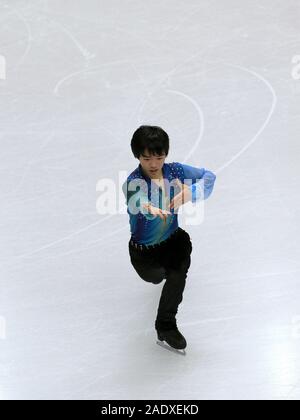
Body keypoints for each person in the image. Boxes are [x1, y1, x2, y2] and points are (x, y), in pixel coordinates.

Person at [122, 125, 216, 351]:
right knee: (157, 278)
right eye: (146, 159)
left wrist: (190, 193)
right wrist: (149, 208)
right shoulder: (133, 182)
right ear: (138, 156)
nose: (153, 164)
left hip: (173, 242)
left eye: (159, 157)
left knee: (178, 269)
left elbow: (209, 176)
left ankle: (165, 325)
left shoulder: (176, 172)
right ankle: (165, 276)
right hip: (145, 256)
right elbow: (137, 201)